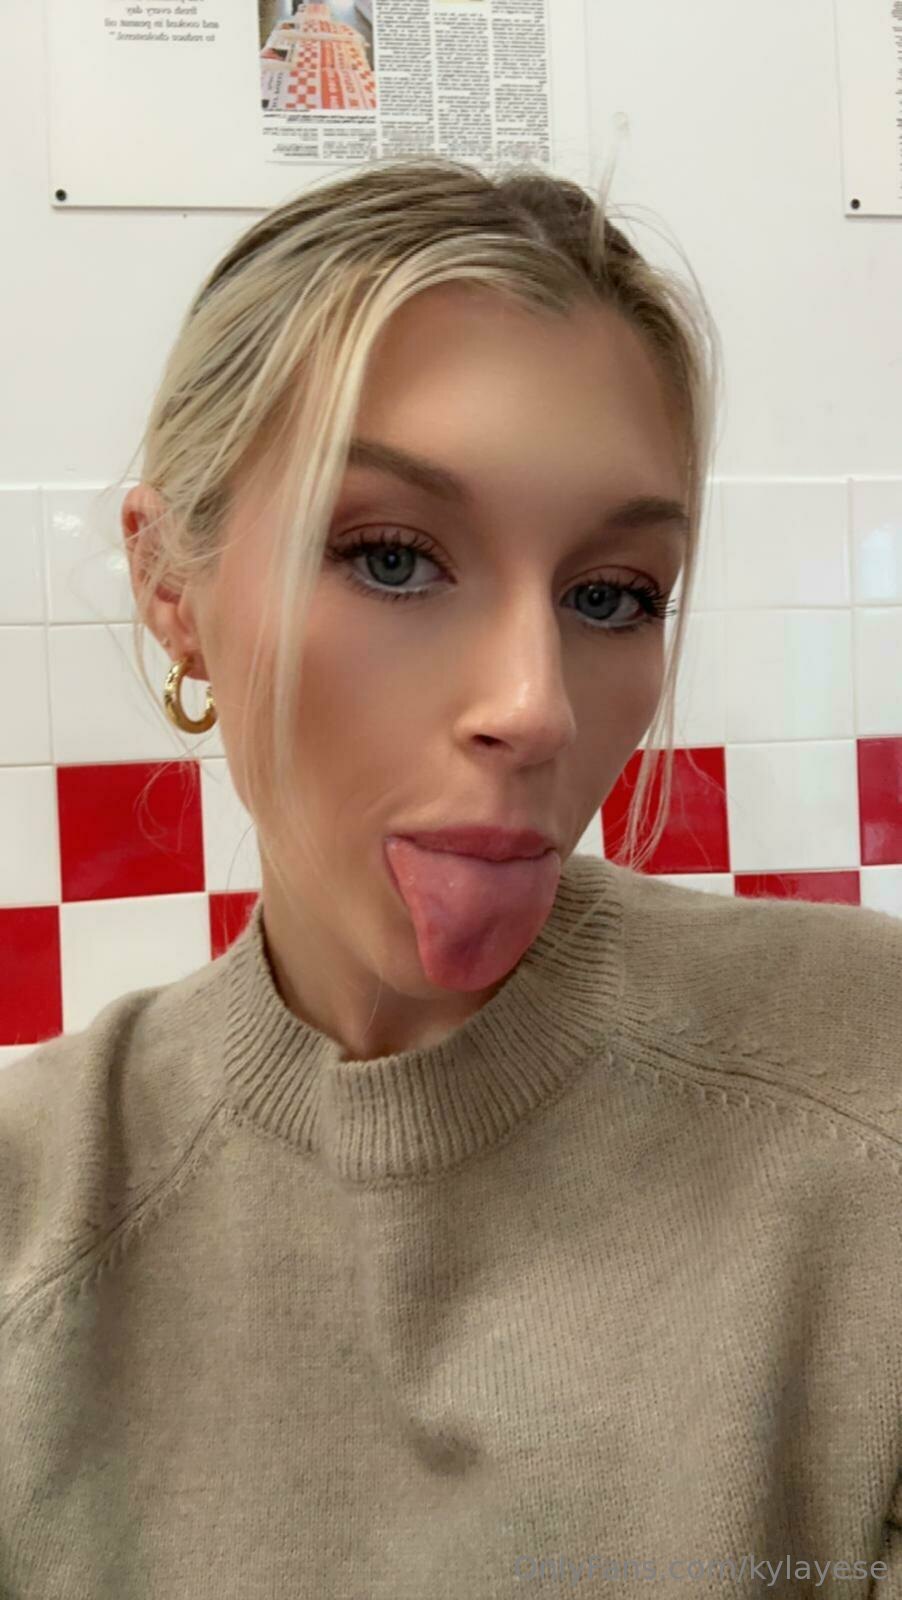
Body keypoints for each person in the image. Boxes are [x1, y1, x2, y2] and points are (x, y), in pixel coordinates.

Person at [1, 157, 899, 1598]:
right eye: (392, 559)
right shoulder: (36, 1203)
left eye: (611, 594)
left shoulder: (867, 1097)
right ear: (171, 586)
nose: (535, 708)